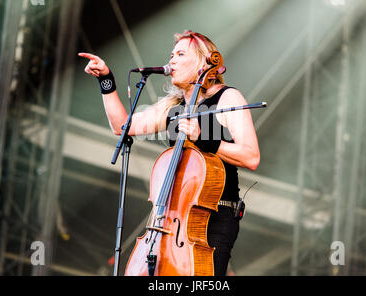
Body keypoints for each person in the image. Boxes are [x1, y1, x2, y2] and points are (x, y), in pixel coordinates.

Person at [79, 30, 260, 276]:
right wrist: (106, 81)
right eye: (171, 54)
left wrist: (205, 139)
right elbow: (123, 127)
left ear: (202, 62)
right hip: (172, 221)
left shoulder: (227, 98)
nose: (171, 60)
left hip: (215, 217)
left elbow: (251, 156)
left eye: (180, 54)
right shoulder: (174, 107)